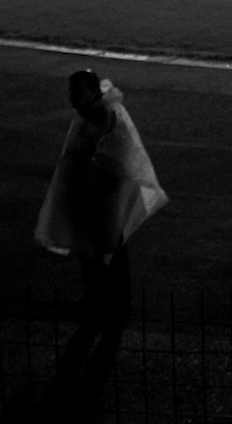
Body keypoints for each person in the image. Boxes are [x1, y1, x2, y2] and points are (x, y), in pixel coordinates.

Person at [36, 70, 168, 321]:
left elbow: (117, 157)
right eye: (71, 92)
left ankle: (112, 301)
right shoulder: (92, 113)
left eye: (77, 91)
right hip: (88, 193)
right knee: (93, 249)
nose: (72, 97)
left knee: (108, 249)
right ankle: (102, 300)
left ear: (93, 91)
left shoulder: (106, 115)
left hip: (102, 195)